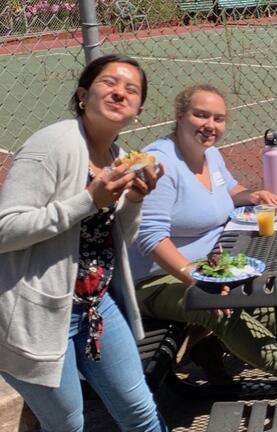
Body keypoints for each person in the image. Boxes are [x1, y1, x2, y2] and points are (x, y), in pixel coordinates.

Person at [0, 54, 167, 431]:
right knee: (68, 424)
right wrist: (89, 200)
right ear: (82, 94)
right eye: (109, 83)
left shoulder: (121, 158)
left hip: (96, 305)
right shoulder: (53, 145)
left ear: (139, 109)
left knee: (140, 410)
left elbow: (116, 239)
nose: (120, 92)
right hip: (35, 312)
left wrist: (135, 200)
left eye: (131, 89)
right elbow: (5, 228)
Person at [129, 84, 277, 380]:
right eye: (201, 115)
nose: (211, 125)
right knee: (218, 307)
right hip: (153, 279)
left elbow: (229, 190)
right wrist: (195, 279)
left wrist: (252, 195)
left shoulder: (210, 155)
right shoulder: (159, 164)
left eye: (218, 118)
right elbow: (151, 238)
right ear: (180, 116)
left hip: (211, 266)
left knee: (270, 300)